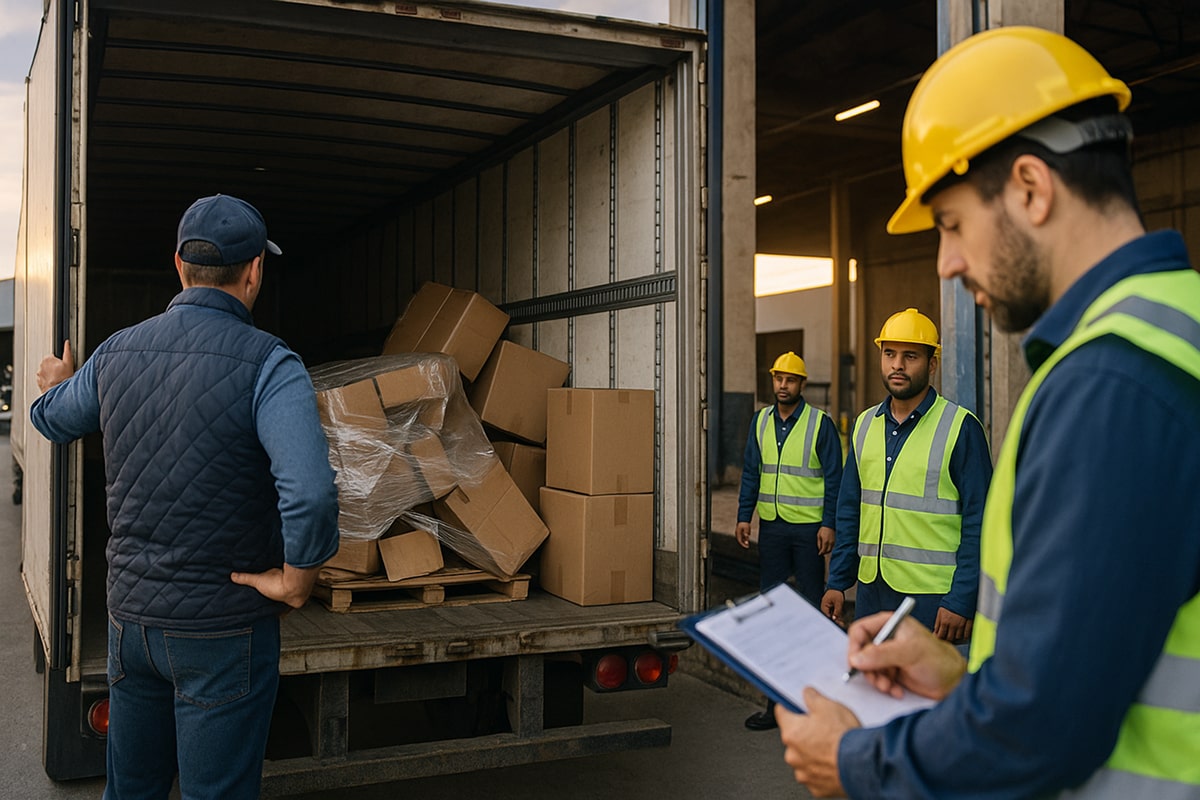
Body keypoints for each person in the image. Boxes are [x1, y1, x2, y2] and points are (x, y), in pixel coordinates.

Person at [776, 26, 1200, 799]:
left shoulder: (1113, 385)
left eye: (951, 224)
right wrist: (963, 670)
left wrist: (854, 763)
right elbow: (1097, 648)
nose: (946, 262)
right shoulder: (1168, 335)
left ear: (1033, 189)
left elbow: (1039, 729)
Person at [31, 194, 339, 799]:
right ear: (255, 271)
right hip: (223, 630)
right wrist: (297, 581)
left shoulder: (116, 352)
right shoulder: (271, 364)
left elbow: (53, 418)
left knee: (133, 788)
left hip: (131, 625)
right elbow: (309, 491)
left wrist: (54, 383)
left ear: (179, 265)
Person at [821, 308, 992, 642]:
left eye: (910, 356)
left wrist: (961, 599)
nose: (897, 365)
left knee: (928, 693)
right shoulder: (864, 425)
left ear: (931, 364)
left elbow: (981, 521)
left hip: (933, 600)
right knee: (876, 689)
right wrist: (838, 581)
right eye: (889, 354)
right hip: (873, 593)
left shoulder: (960, 428)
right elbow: (850, 509)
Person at [735, 351, 842, 730]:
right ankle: (775, 705)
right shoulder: (761, 421)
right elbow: (751, 471)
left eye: (791, 380)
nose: (783, 385)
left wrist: (829, 524)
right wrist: (744, 516)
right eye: (778, 378)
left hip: (809, 532)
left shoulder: (820, 424)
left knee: (814, 614)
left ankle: (814, 704)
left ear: (802, 384)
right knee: (774, 614)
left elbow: (835, 480)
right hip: (774, 530)